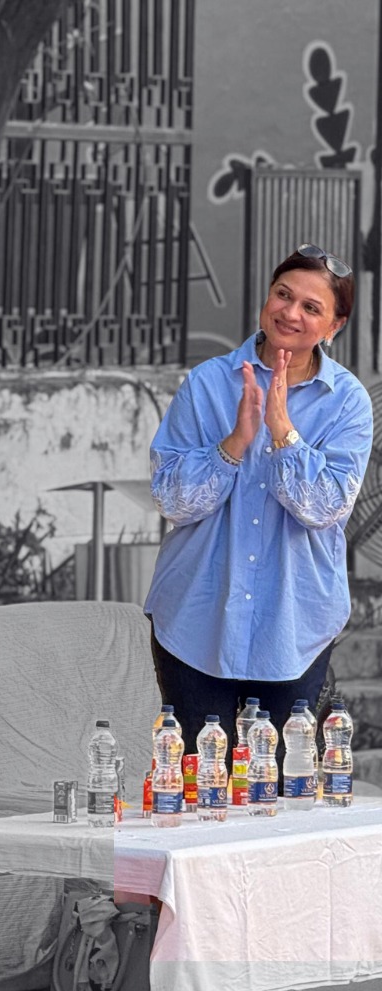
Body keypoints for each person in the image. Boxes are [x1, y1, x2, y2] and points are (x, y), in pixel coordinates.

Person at [145, 243, 372, 759]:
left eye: (311, 307)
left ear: (334, 326)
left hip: (296, 626)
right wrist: (233, 445)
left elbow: (328, 506)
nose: (290, 312)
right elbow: (172, 500)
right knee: (199, 787)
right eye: (283, 295)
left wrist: (283, 433)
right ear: (267, 298)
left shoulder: (349, 402)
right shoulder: (207, 384)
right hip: (195, 623)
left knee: (284, 792)